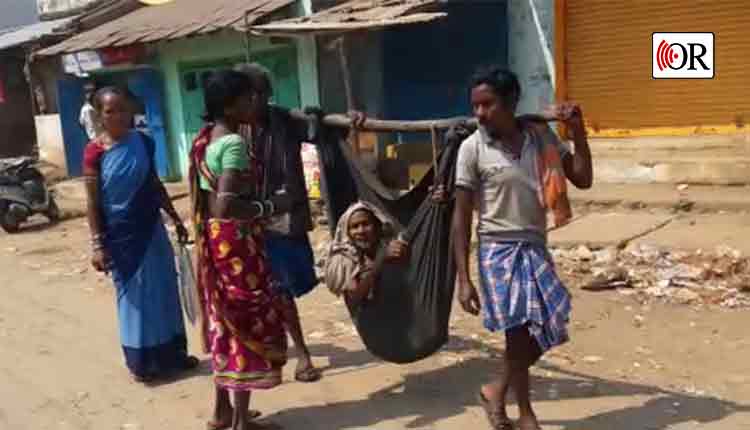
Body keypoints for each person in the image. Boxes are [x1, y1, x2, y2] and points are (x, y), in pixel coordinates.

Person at [452, 67, 592, 430]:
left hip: (534, 245)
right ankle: (526, 413)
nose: (480, 114)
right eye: (475, 106)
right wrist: (463, 278)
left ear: (511, 103)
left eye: (488, 104)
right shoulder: (472, 148)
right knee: (518, 332)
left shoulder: (541, 139)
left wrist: (577, 131)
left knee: (552, 320)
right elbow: (462, 214)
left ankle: (495, 390)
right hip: (497, 250)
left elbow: (582, 178)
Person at [234, 63, 368, 383]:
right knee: (264, 293)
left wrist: (344, 120)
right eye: (244, 93)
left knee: (284, 289)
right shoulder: (231, 129)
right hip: (245, 221)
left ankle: (292, 353)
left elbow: (325, 134)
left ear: (266, 94)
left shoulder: (284, 121)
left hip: (282, 220)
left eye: (256, 92)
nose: (251, 100)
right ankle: (285, 356)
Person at [190, 70, 290, 430]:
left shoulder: (204, 140)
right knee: (244, 320)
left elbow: (209, 203)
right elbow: (225, 206)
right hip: (236, 244)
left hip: (216, 242)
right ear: (230, 105)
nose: (255, 104)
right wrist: (271, 207)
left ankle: (223, 412)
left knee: (224, 319)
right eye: (249, 98)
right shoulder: (232, 144)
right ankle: (241, 424)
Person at [82, 87, 197, 383]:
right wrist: (97, 245)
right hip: (120, 237)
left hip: (152, 229)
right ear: (100, 116)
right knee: (133, 298)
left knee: (163, 289)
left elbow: (153, 184)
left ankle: (172, 355)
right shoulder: (95, 152)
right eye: (110, 111)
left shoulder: (144, 143)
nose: (118, 116)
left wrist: (175, 218)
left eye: (123, 109)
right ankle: (142, 362)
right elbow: (92, 203)